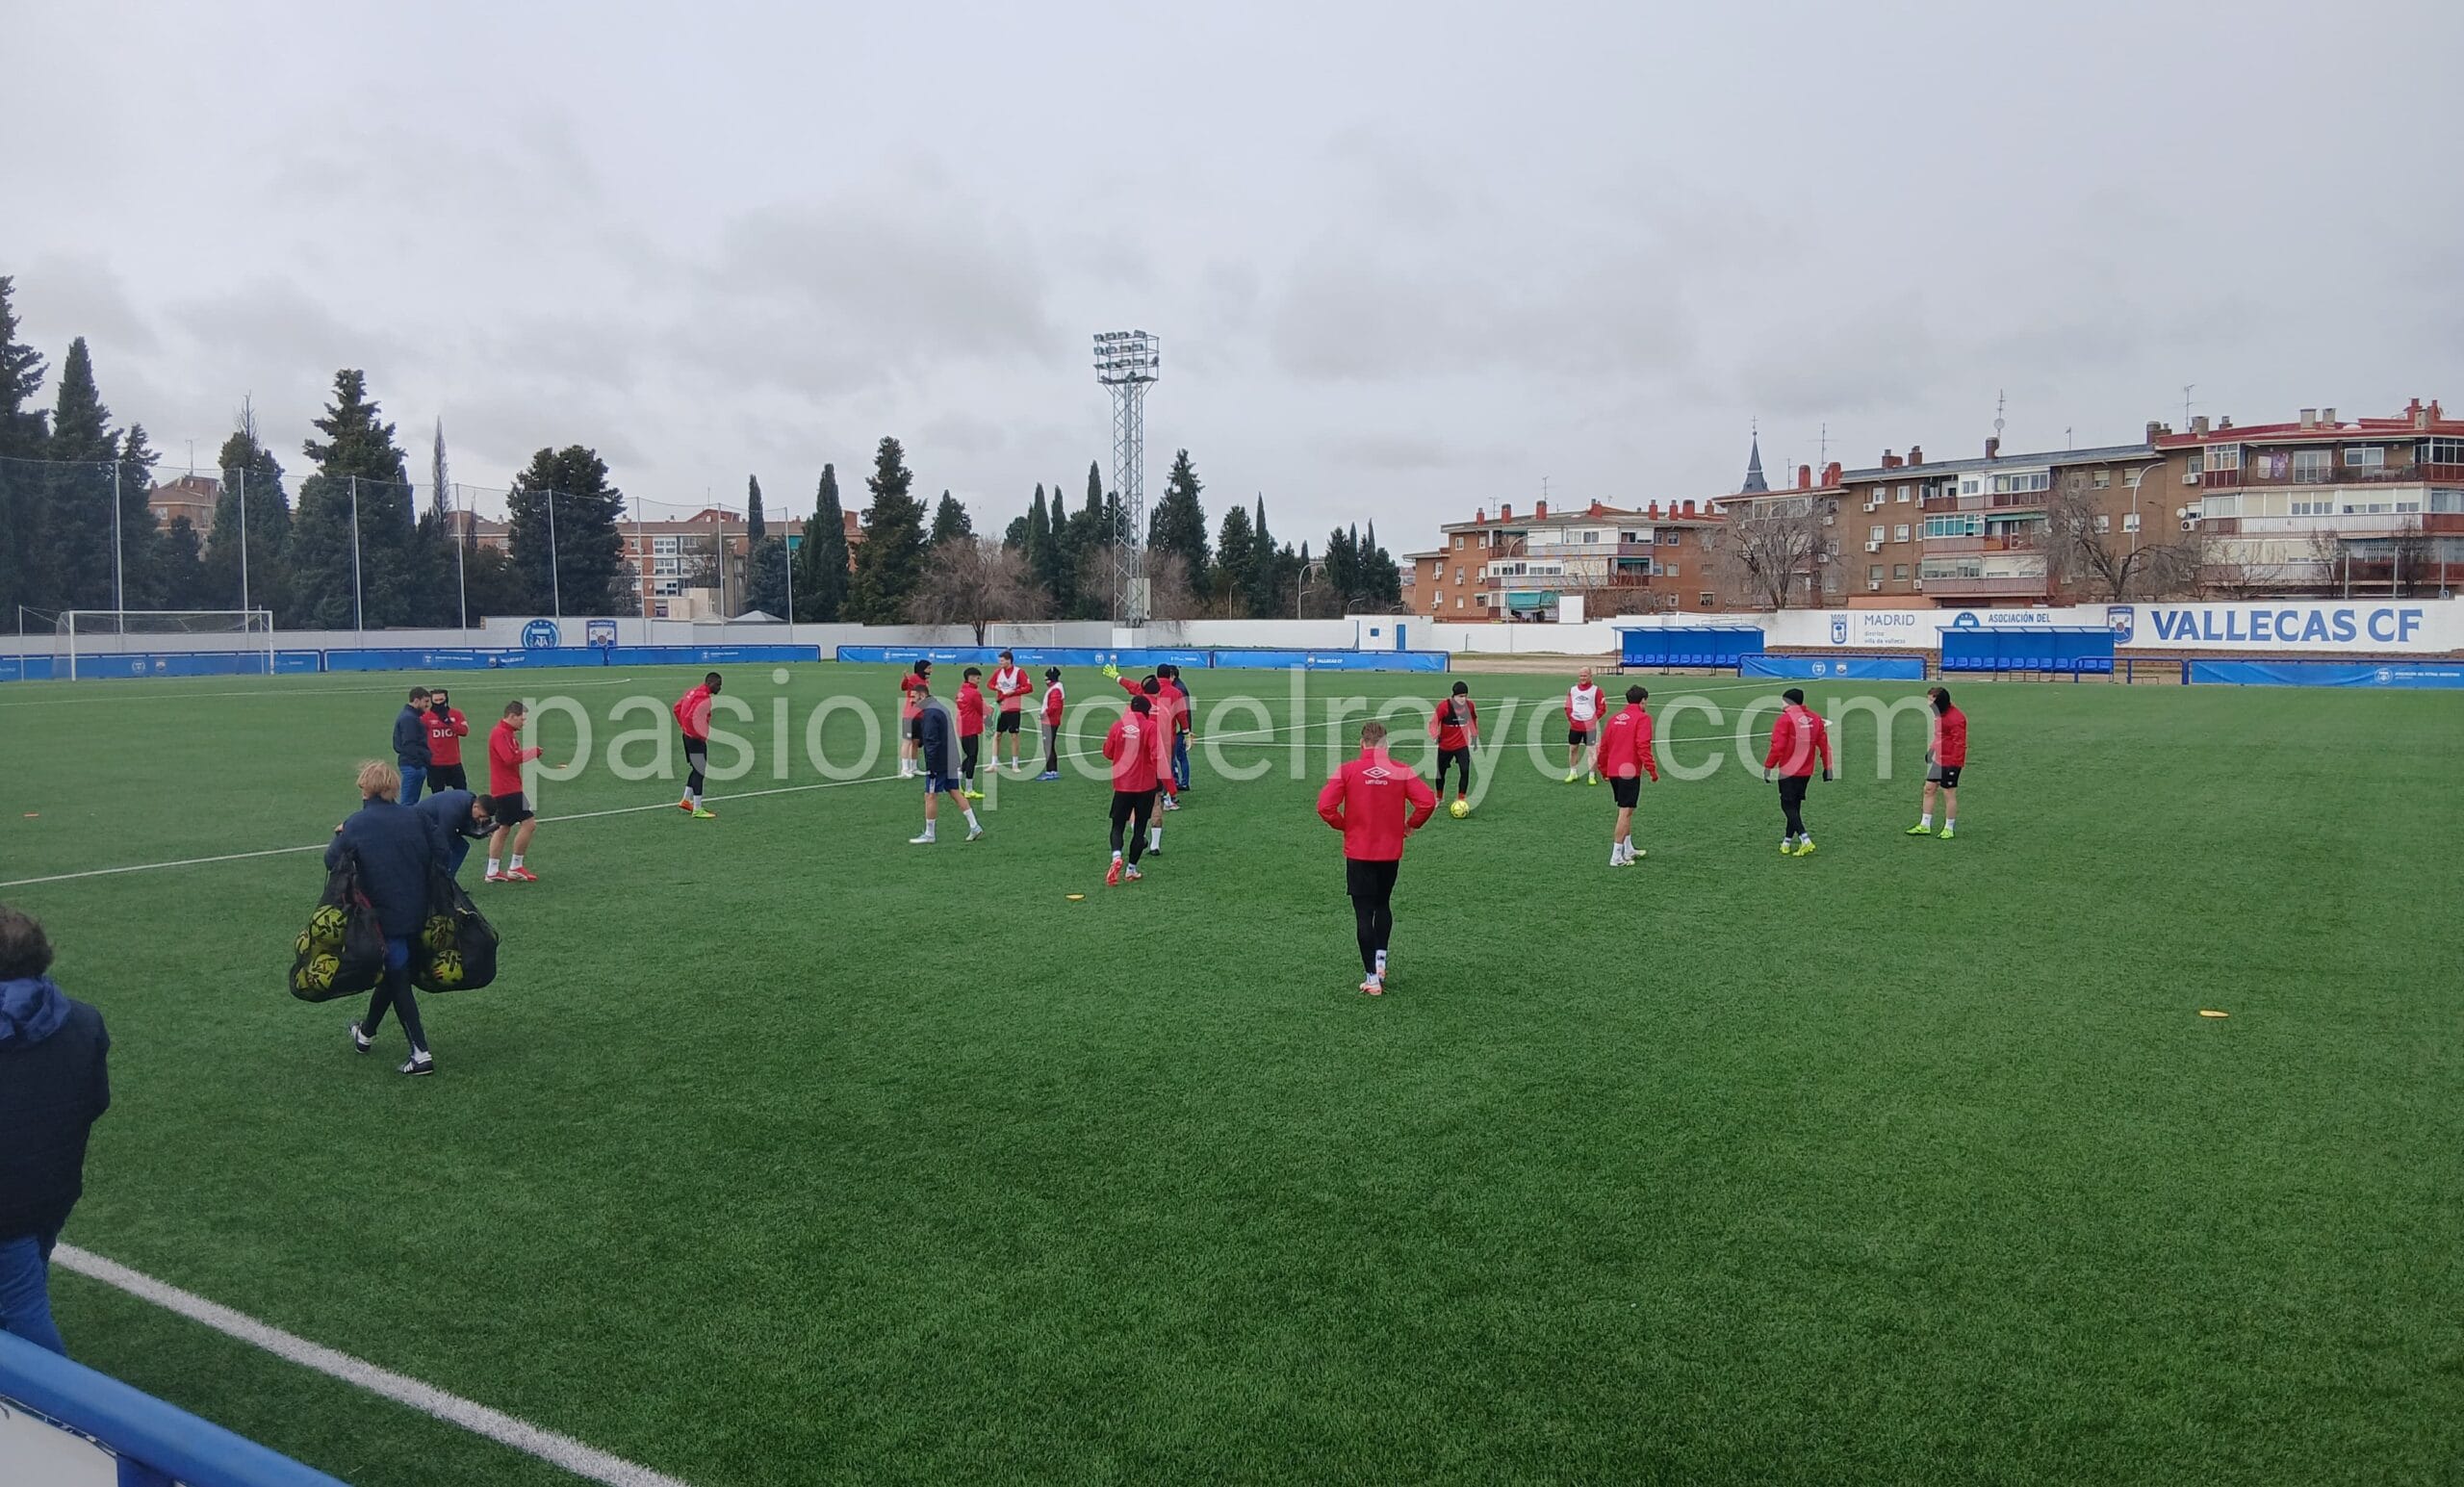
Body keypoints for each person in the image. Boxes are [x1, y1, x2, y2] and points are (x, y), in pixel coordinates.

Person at [0, 905, 110, 1357]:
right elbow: (95, 1101)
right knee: (26, 1278)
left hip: (10, 1202)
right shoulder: (83, 1020)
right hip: (56, 1185)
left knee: (21, 1308)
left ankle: (66, 1412)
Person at [333, 761, 446, 1075]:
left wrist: (341, 833)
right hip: (420, 910)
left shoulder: (356, 823)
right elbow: (442, 853)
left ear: (365, 789)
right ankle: (366, 1033)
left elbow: (333, 861)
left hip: (382, 917)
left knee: (397, 976)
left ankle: (421, 1052)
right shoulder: (416, 816)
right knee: (395, 973)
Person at [1316, 720, 1437, 995]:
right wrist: (1411, 825)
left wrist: (1344, 825)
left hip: (1359, 852)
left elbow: (1324, 806)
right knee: (1383, 905)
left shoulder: (1348, 770)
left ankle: (1372, 979)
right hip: (1389, 852)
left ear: (1361, 744)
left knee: (1363, 913)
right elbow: (1427, 802)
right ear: (1386, 745)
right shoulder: (1401, 770)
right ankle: (1380, 963)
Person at [909, 676, 983, 844]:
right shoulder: (939, 707)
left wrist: (932, 767)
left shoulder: (930, 713)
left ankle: (929, 834)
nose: (912, 701)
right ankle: (974, 826)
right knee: (954, 791)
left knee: (930, 795)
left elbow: (932, 742)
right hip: (951, 758)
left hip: (940, 762)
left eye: (914, 697)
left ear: (921, 695)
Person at [1762, 687, 1834, 858]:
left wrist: (1768, 766)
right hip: (1806, 771)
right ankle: (1786, 842)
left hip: (1788, 769)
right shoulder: (1816, 719)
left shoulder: (1785, 720)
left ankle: (1805, 839)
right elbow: (1824, 746)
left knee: (1787, 804)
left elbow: (1777, 747)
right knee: (1795, 805)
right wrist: (1827, 767)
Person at [1101, 694, 1160, 885]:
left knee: (1117, 825)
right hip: (1145, 786)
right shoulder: (1151, 727)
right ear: (1146, 711)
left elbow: (1108, 752)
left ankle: (1116, 856)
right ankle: (1131, 869)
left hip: (1122, 785)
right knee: (1140, 829)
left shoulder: (1117, 726)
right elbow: (1155, 754)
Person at [1599, 685, 1660, 866]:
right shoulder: (1643, 719)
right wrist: (1652, 770)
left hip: (1614, 770)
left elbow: (1604, 747)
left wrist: (1603, 769)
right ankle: (1616, 856)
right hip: (1629, 771)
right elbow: (1643, 746)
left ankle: (1628, 848)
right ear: (1643, 701)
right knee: (1625, 812)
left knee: (1628, 810)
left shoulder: (1614, 719)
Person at [486, 700, 546, 883]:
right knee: (529, 824)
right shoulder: (501, 734)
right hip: (508, 789)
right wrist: (532, 752)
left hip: (503, 788)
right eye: (522, 718)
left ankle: (493, 870)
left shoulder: (506, 733)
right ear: (511, 716)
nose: (523, 722)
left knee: (503, 828)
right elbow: (509, 758)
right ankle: (515, 866)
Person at [1910, 685, 1966, 839]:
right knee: (1928, 789)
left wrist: (1955, 764)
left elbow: (1959, 743)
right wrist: (1932, 750)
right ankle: (1925, 825)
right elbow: (1939, 735)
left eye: (1931, 700)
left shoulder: (1956, 719)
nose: (1928, 704)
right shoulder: (1938, 714)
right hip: (1939, 759)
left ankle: (1949, 828)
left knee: (1948, 793)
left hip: (1951, 761)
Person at [414, 787, 498, 881]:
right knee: (444, 850)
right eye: (481, 816)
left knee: (461, 847)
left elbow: (461, 827)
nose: (482, 820)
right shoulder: (455, 809)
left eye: (485, 817)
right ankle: (440, 883)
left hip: (434, 824)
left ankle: (447, 881)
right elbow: (443, 838)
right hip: (419, 825)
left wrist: (484, 832)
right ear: (476, 806)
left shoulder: (470, 802)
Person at [673, 672, 720, 818]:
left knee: (695, 769)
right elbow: (690, 716)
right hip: (695, 739)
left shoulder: (692, 692)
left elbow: (677, 708)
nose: (720, 688)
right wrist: (700, 735)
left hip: (687, 736)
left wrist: (684, 728)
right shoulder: (703, 698)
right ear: (710, 684)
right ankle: (697, 809)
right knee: (700, 771)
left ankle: (686, 800)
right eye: (718, 684)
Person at [1429, 680, 1479, 808]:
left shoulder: (1470, 706)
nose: (1463, 699)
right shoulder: (1444, 707)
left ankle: (1461, 799)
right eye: (1460, 696)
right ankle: (1439, 797)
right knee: (1441, 773)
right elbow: (1434, 722)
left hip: (1462, 745)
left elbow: (1473, 719)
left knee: (1465, 770)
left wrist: (1474, 735)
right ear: (1454, 696)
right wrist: (1435, 736)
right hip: (1445, 746)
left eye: (1465, 696)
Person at [990, 650, 1033, 771]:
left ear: (1009, 660)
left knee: (1014, 735)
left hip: (1014, 707)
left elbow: (1029, 688)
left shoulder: (1019, 672)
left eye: (1002, 661)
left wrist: (1014, 692)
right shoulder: (998, 672)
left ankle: (1015, 764)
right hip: (1001, 707)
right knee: (997, 734)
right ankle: (994, 763)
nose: (1000, 663)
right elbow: (989, 684)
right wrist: (996, 687)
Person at [1563, 668, 1606, 785]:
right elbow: (1568, 706)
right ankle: (1573, 772)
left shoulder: (1596, 690)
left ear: (1590, 676)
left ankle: (1591, 775)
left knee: (1591, 752)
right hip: (1575, 726)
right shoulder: (1573, 690)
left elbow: (1602, 708)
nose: (1583, 678)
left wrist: (1592, 720)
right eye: (1581, 675)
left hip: (1590, 727)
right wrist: (1571, 719)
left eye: (1585, 675)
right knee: (1573, 749)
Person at [424, 688, 471, 793]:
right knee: (437, 796)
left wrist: (450, 724)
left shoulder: (456, 714)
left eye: (441, 699)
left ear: (446, 699)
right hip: (435, 764)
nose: (439, 703)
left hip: (454, 762)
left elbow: (464, 731)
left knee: (463, 794)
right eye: (436, 700)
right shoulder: (426, 717)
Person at [394, 685, 434, 806]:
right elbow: (409, 744)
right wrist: (419, 763)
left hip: (413, 765)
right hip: (413, 766)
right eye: (426, 701)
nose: (428, 705)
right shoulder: (409, 719)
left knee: (411, 801)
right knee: (408, 802)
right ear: (416, 701)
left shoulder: (410, 716)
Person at [1162, 663, 1195, 793]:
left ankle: (1178, 782)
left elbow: (1182, 712)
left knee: (1177, 756)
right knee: (1180, 756)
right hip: (1183, 727)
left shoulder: (1178, 689)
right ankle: (1182, 782)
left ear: (1172, 675)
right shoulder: (1179, 686)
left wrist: (1185, 730)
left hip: (1180, 729)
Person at [956, 667, 988, 800]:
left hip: (962, 727)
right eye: (977, 678)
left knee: (969, 756)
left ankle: (957, 779)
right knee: (972, 757)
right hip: (971, 728)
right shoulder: (974, 693)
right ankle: (969, 788)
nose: (979, 681)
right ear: (971, 677)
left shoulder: (961, 691)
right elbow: (982, 709)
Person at [898, 661, 931, 779]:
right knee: (907, 741)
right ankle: (904, 769)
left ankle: (914, 767)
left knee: (916, 742)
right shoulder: (915, 679)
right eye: (929, 668)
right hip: (910, 715)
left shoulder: (923, 681)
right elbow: (904, 687)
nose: (931, 670)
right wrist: (906, 679)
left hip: (920, 715)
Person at [1037, 667, 1065, 781]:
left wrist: (1043, 715)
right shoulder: (1056, 688)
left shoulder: (1055, 690)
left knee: (1048, 746)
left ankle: (1051, 771)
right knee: (1050, 746)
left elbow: (1054, 707)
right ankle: (1052, 770)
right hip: (1051, 721)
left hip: (1050, 722)